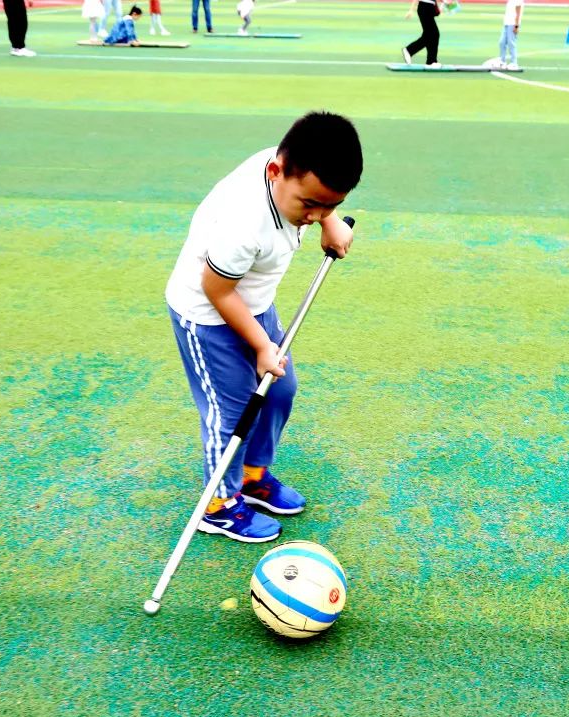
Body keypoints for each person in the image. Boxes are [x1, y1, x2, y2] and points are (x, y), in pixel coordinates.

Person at [164, 111, 362, 543]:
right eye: (310, 204)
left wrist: (328, 222)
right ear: (276, 173)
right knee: (231, 410)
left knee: (280, 390)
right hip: (207, 313)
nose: (316, 215)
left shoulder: (289, 169)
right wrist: (260, 346)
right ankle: (217, 504)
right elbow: (217, 290)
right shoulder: (244, 222)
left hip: (252, 302)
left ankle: (252, 477)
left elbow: (316, 198)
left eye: (331, 204)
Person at [402, 0, 440, 67]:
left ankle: (431, 61)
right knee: (433, 34)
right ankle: (409, 50)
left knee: (431, 34)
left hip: (428, 7)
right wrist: (411, 10)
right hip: (425, 8)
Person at [498, 0, 522, 70]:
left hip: (512, 24)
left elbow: (518, 13)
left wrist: (516, 26)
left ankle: (514, 63)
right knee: (502, 42)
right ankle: (502, 61)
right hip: (506, 23)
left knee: (511, 43)